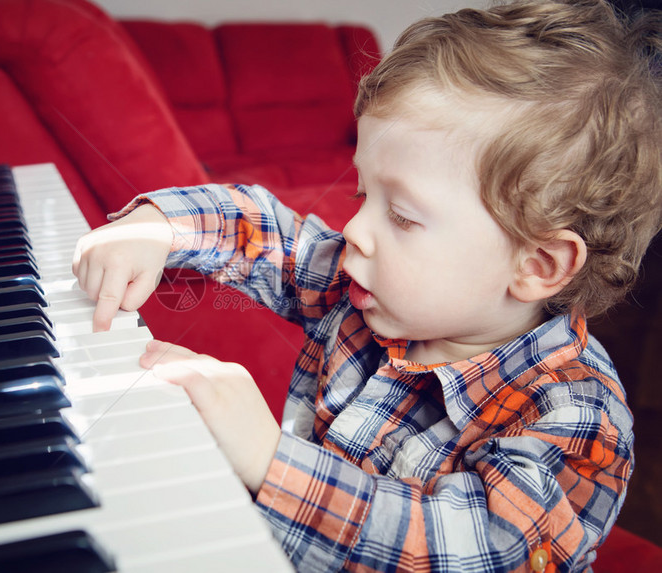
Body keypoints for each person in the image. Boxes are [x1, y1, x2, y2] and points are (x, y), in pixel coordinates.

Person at [71, 0, 661, 570]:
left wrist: (270, 460)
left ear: (537, 265)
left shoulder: (577, 417)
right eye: (362, 195)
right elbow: (266, 232)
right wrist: (161, 226)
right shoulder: (369, 294)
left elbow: (475, 545)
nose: (354, 230)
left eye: (402, 216)